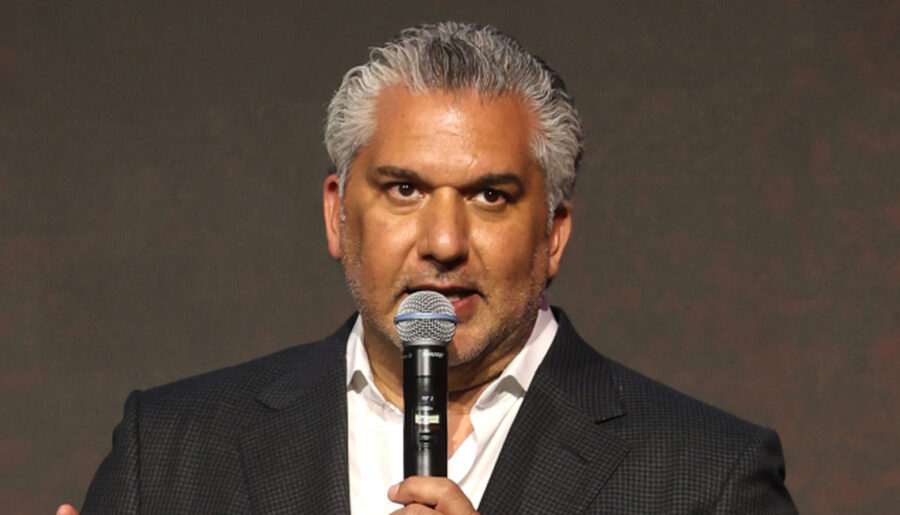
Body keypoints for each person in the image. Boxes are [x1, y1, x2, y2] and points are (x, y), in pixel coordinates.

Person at [59, 22, 796, 514]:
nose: (444, 241)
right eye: (404, 190)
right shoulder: (172, 449)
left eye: (490, 196)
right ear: (337, 214)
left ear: (553, 235)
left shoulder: (708, 477)